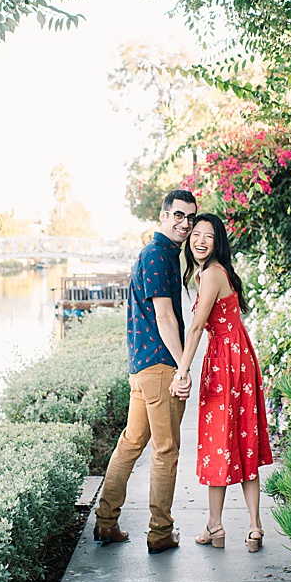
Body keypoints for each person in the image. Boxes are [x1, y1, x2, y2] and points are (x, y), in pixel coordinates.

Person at [92, 189, 198, 555]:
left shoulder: (165, 255)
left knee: (131, 443)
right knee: (165, 449)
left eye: (190, 218)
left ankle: (105, 523)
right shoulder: (157, 256)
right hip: (159, 367)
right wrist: (183, 367)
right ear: (164, 216)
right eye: (179, 216)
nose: (185, 224)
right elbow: (165, 316)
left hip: (144, 367)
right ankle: (160, 532)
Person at [169, 213, 274, 552]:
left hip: (227, 362)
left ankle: (221, 526)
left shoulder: (212, 275)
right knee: (242, 439)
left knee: (221, 441)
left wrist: (181, 372)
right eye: (195, 234)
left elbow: (197, 327)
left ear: (218, 242)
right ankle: (246, 527)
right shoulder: (212, 273)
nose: (199, 240)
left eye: (208, 236)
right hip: (234, 358)